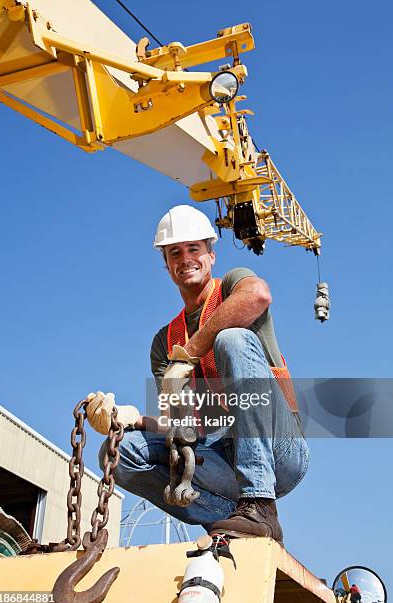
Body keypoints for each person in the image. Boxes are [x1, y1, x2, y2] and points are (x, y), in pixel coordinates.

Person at [86, 205, 309, 543]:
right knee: (120, 453)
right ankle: (234, 520)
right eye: (175, 252)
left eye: (194, 249)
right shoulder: (165, 341)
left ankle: (260, 504)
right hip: (227, 458)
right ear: (166, 262)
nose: (185, 258)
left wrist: (189, 354)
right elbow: (184, 430)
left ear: (211, 255)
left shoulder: (234, 287)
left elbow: (259, 295)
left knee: (232, 339)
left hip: (281, 451)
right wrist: (131, 420)